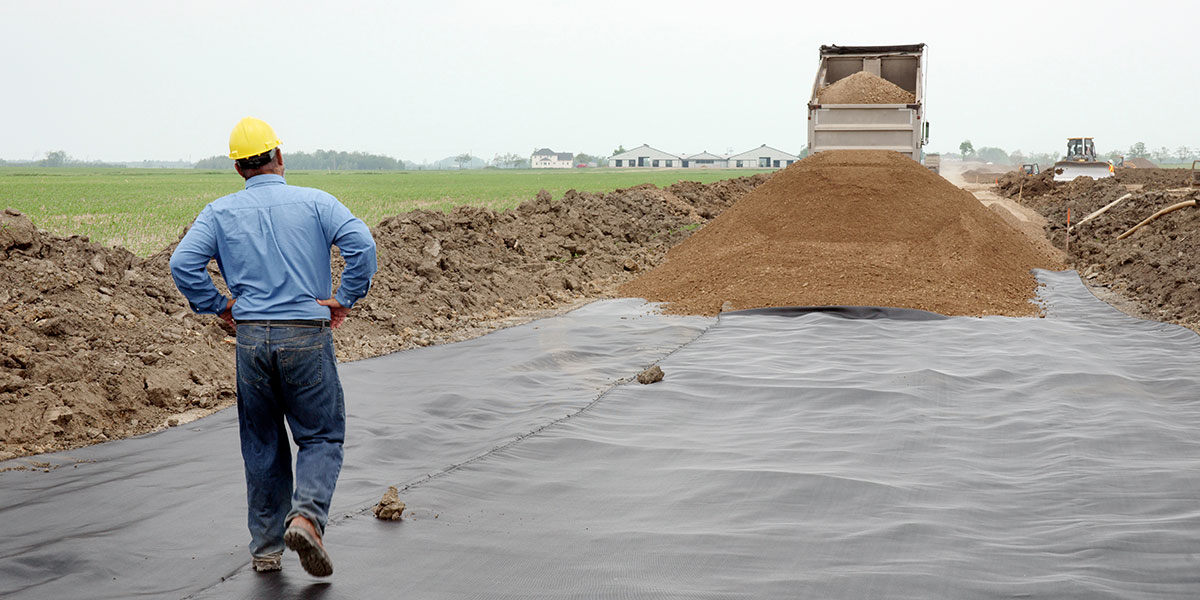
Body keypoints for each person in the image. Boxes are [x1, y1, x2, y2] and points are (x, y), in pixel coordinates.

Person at [169, 117, 377, 577]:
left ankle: (265, 549)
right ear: (279, 157)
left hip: (250, 340)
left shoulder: (219, 212)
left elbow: (183, 263)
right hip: (305, 333)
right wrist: (344, 298)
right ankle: (305, 518)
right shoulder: (317, 202)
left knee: (262, 443)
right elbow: (362, 244)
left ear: (239, 169)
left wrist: (219, 304)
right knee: (321, 435)